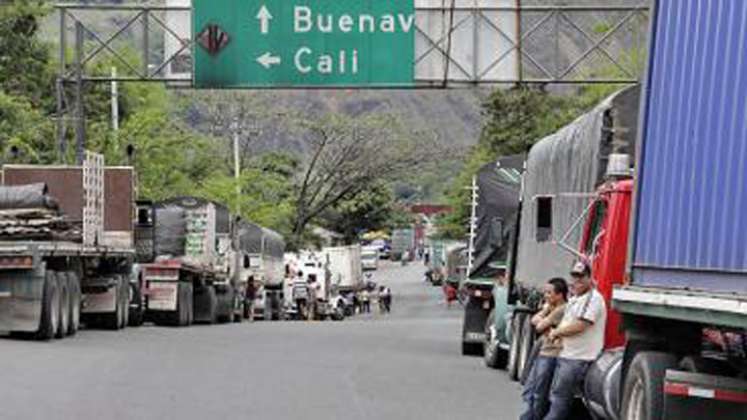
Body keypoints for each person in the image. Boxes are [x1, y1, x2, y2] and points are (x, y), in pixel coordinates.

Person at [543, 261, 607, 420]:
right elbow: (568, 323)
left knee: (559, 400)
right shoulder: (575, 298)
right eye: (574, 276)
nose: (577, 281)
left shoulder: (593, 299)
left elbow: (581, 325)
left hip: (579, 359)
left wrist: (556, 332)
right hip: (568, 355)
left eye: (581, 277)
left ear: (590, 278)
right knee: (558, 399)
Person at [520, 278, 568, 420]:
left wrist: (544, 322)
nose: (546, 296)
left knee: (539, 392)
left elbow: (539, 325)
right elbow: (534, 319)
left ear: (559, 295)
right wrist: (545, 316)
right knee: (530, 389)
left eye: (549, 292)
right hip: (543, 351)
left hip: (552, 354)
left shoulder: (561, 310)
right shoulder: (550, 307)